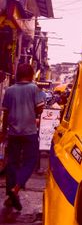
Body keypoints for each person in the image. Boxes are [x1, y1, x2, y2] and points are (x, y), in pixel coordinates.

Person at [0, 64, 45, 210]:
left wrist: (3, 132)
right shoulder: (34, 88)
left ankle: (10, 194)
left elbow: (5, 113)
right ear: (31, 74)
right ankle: (16, 188)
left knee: (12, 163)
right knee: (30, 162)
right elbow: (39, 109)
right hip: (29, 132)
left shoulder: (10, 90)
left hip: (13, 132)